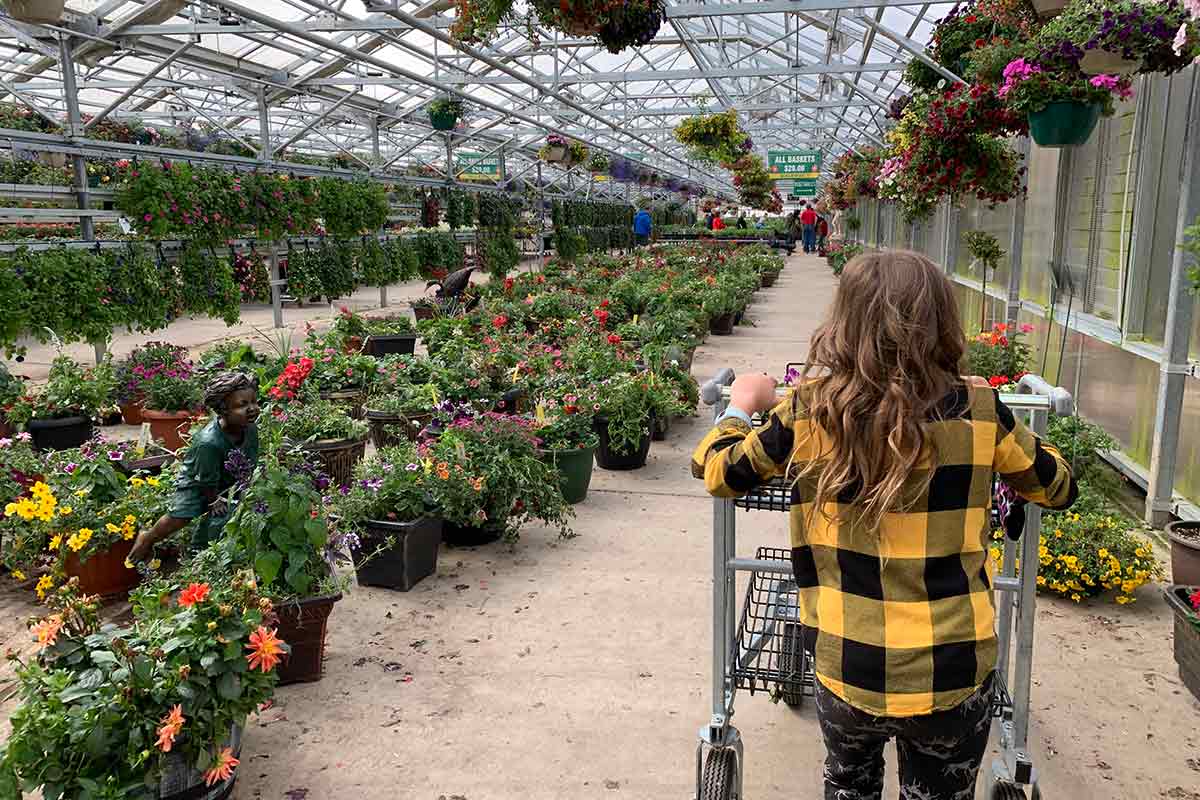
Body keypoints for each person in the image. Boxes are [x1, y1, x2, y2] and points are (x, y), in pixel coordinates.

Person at [691, 251, 1077, 800]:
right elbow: (1057, 486)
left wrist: (739, 408)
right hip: (953, 667)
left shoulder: (808, 410)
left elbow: (719, 474)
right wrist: (975, 404)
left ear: (843, 322)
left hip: (849, 663)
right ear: (941, 321)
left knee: (849, 785)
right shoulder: (982, 411)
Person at [129, 371, 261, 561]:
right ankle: (148, 538)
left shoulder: (250, 429)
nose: (252, 409)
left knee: (236, 511)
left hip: (232, 474)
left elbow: (251, 459)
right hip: (197, 479)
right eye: (242, 405)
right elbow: (205, 479)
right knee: (182, 514)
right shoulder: (209, 442)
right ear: (223, 410)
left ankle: (208, 544)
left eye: (254, 402)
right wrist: (213, 500)